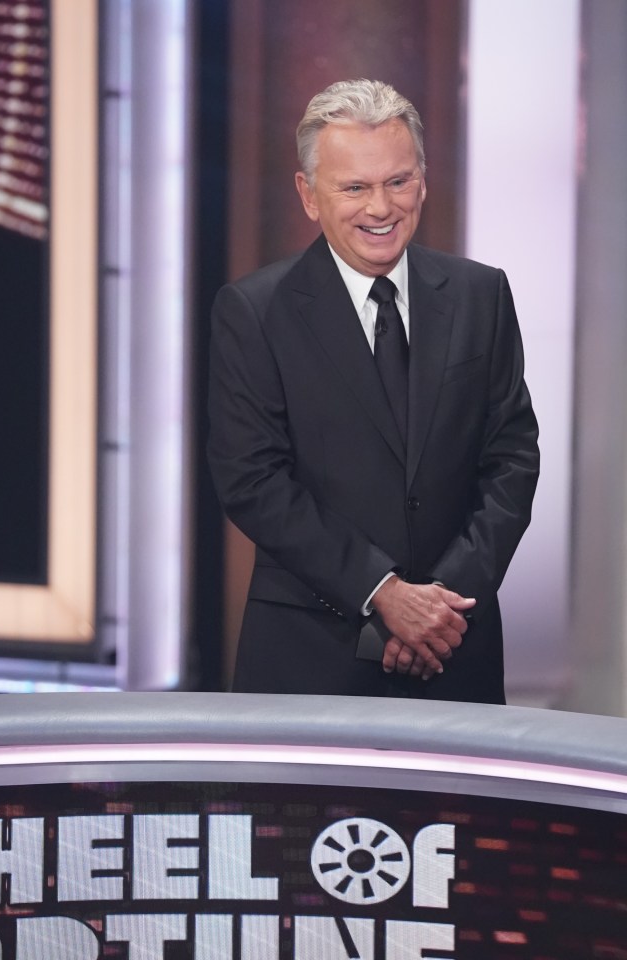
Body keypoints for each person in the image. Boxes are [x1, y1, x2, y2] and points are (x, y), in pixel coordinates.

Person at [207, 79, 539, 703]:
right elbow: (251, 481)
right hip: (309, 661)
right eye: (354, 187)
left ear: (424, 180)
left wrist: (440, 608)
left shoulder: (480, 295)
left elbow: (513, 458)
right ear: (308, 195)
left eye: (398, 180)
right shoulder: (254, 312)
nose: (380, 208)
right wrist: (383, 594)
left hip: (454, 651)